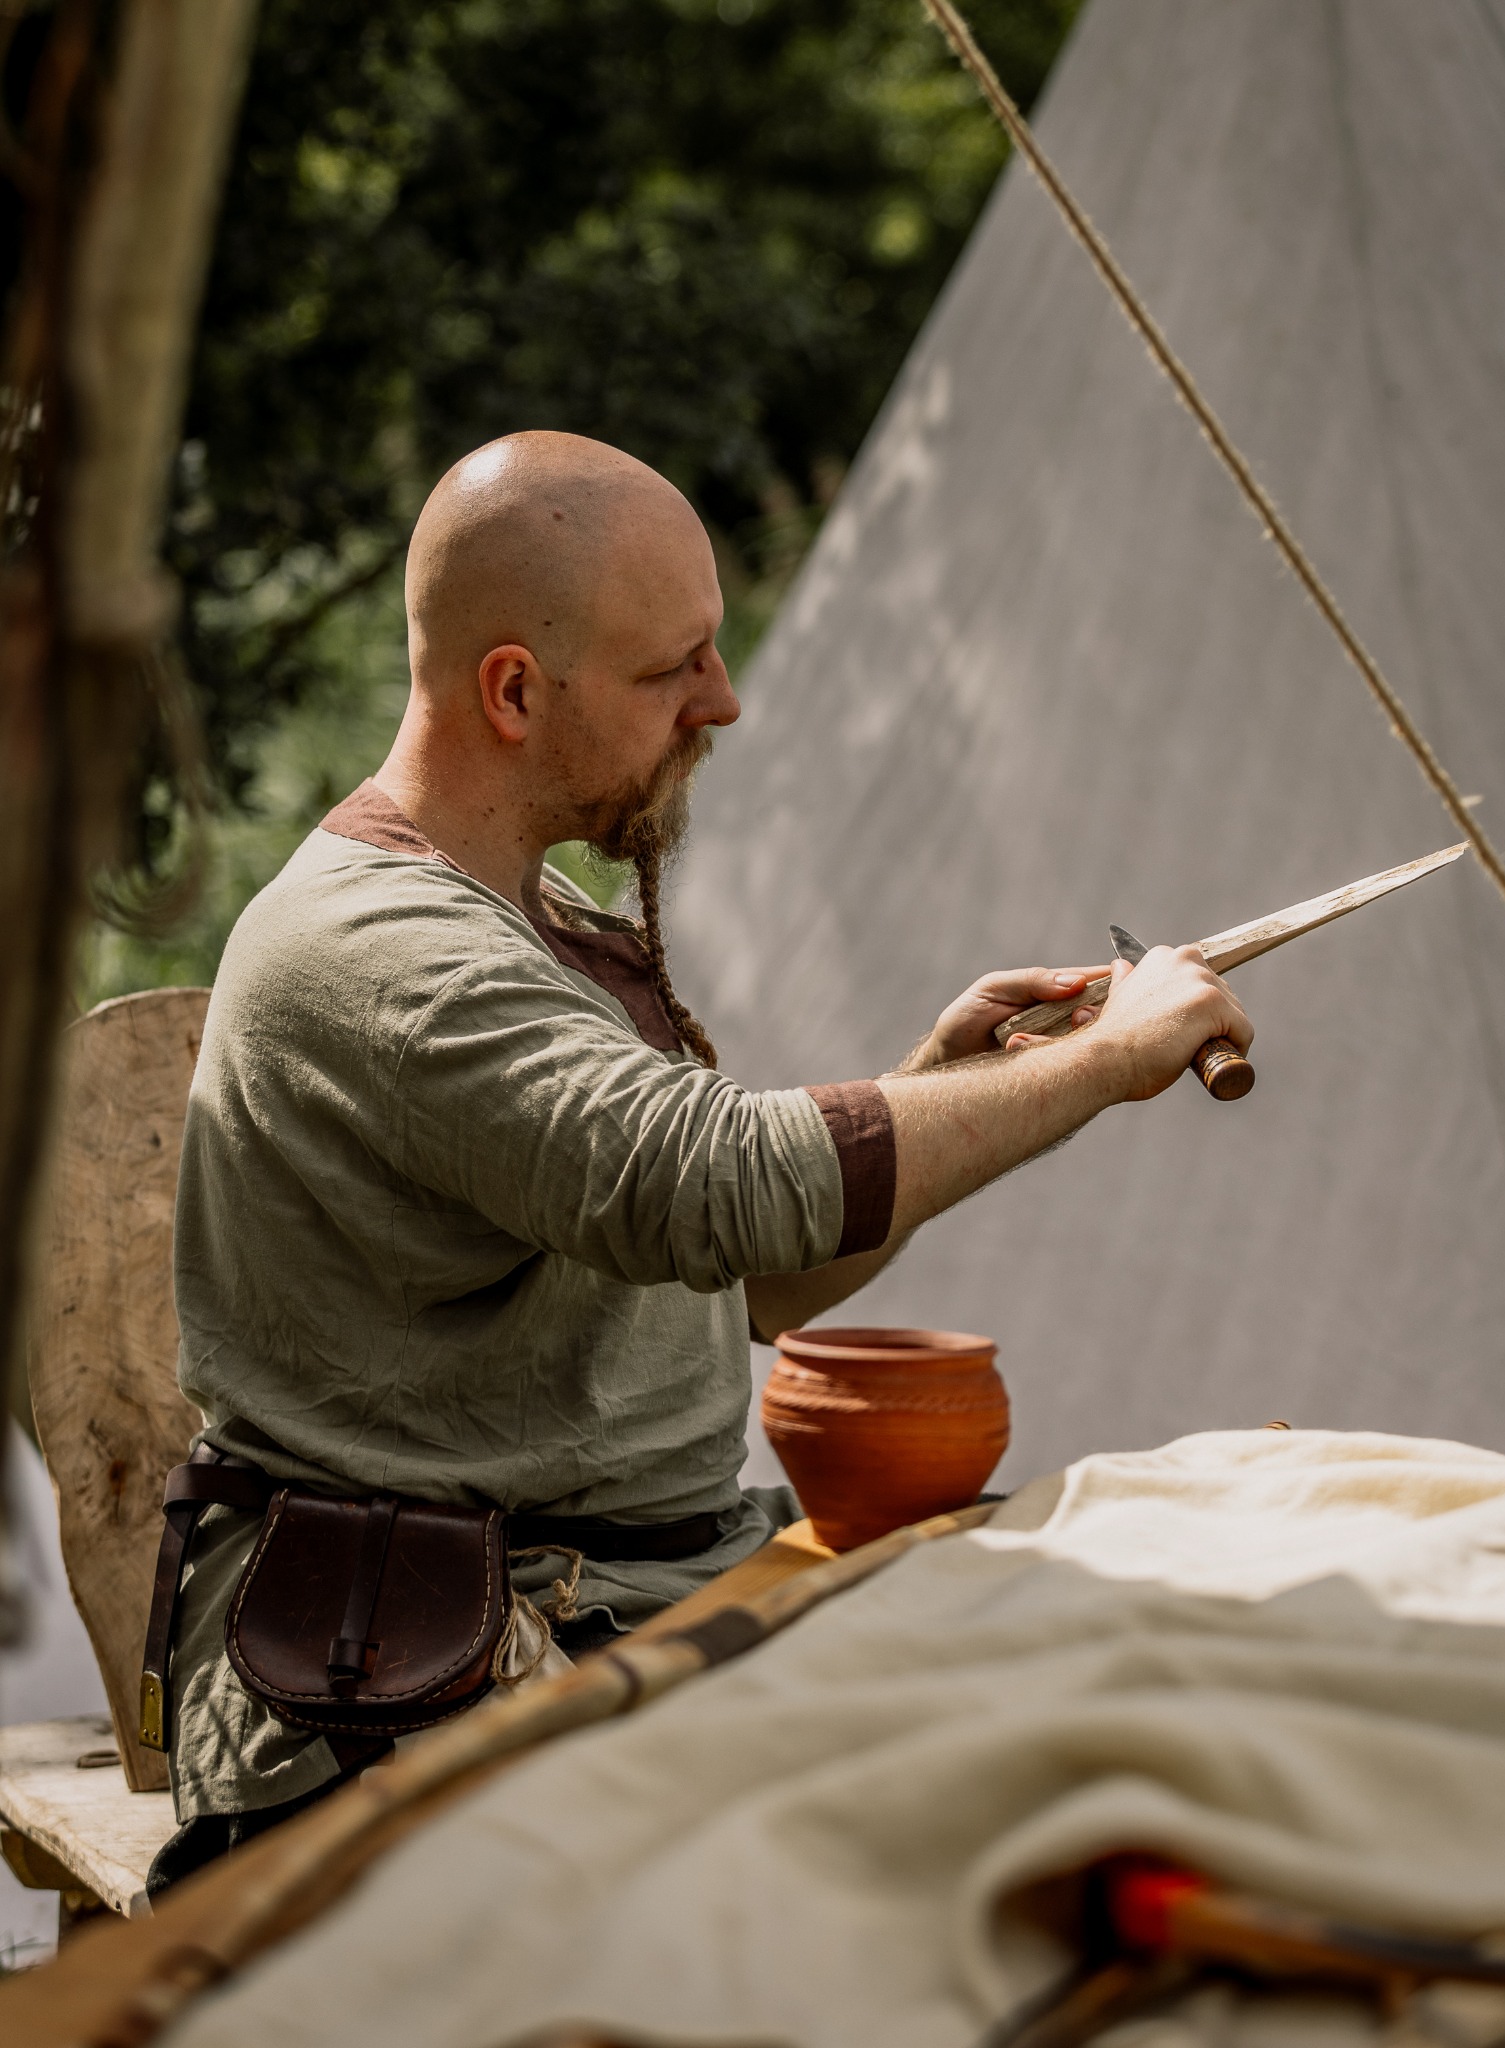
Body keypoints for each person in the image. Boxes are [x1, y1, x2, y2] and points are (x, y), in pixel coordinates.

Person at [150, 431, 1251, 1888]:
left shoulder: (519, 914)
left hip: (635, 1585)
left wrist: (952, 1079)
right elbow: (700, 1185)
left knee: (1157, 1710)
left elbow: (752, 1279)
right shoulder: (381, 951)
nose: (720, 702)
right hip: (422, 1650)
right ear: (514, 690)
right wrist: (1103, 1059)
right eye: (676, 667)